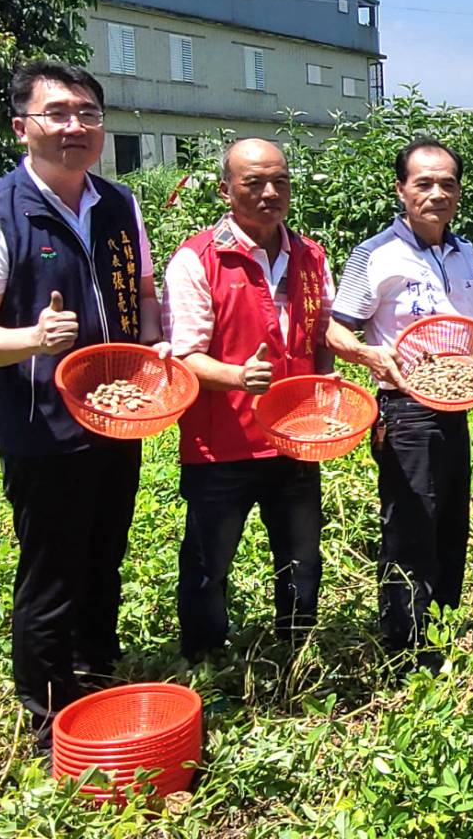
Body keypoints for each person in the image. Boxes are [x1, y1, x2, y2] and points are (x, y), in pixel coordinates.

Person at [0, 61, 166, 750]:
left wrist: (158, 346)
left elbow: (145, 295)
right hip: (45, 431)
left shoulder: (119, 205)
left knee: (105, 557)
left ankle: (96, 677)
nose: (76, 127)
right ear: (22, 127)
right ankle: (47, 719)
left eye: (88, 114)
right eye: (58, 114)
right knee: (52, 573)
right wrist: (34, 337)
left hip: (119, 420)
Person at [325, 138, 473, 658]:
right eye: (424, 183)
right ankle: (404, 648)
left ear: (459, 191)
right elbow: (336, 331)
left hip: (456, 403)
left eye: (447, 183)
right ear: (401, 190)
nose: (436, 193)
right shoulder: (374, 255)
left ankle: (440, 631)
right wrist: (374, 357)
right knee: (410, 526)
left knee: (449, 523)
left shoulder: (464, 251)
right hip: (404, 409)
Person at [163, 138, 335, 660]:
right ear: (224, 189)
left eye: (279, 181)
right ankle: (206, 662)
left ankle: (294, 658)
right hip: (223, 445)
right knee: (208, 564)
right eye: (253, 182)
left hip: (294, 440)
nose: (269, 192)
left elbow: (320, 338)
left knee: (302, 561)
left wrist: (324, 395)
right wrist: (238, 377)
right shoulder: (198, 259)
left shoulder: (310, 255)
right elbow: (184, 356)